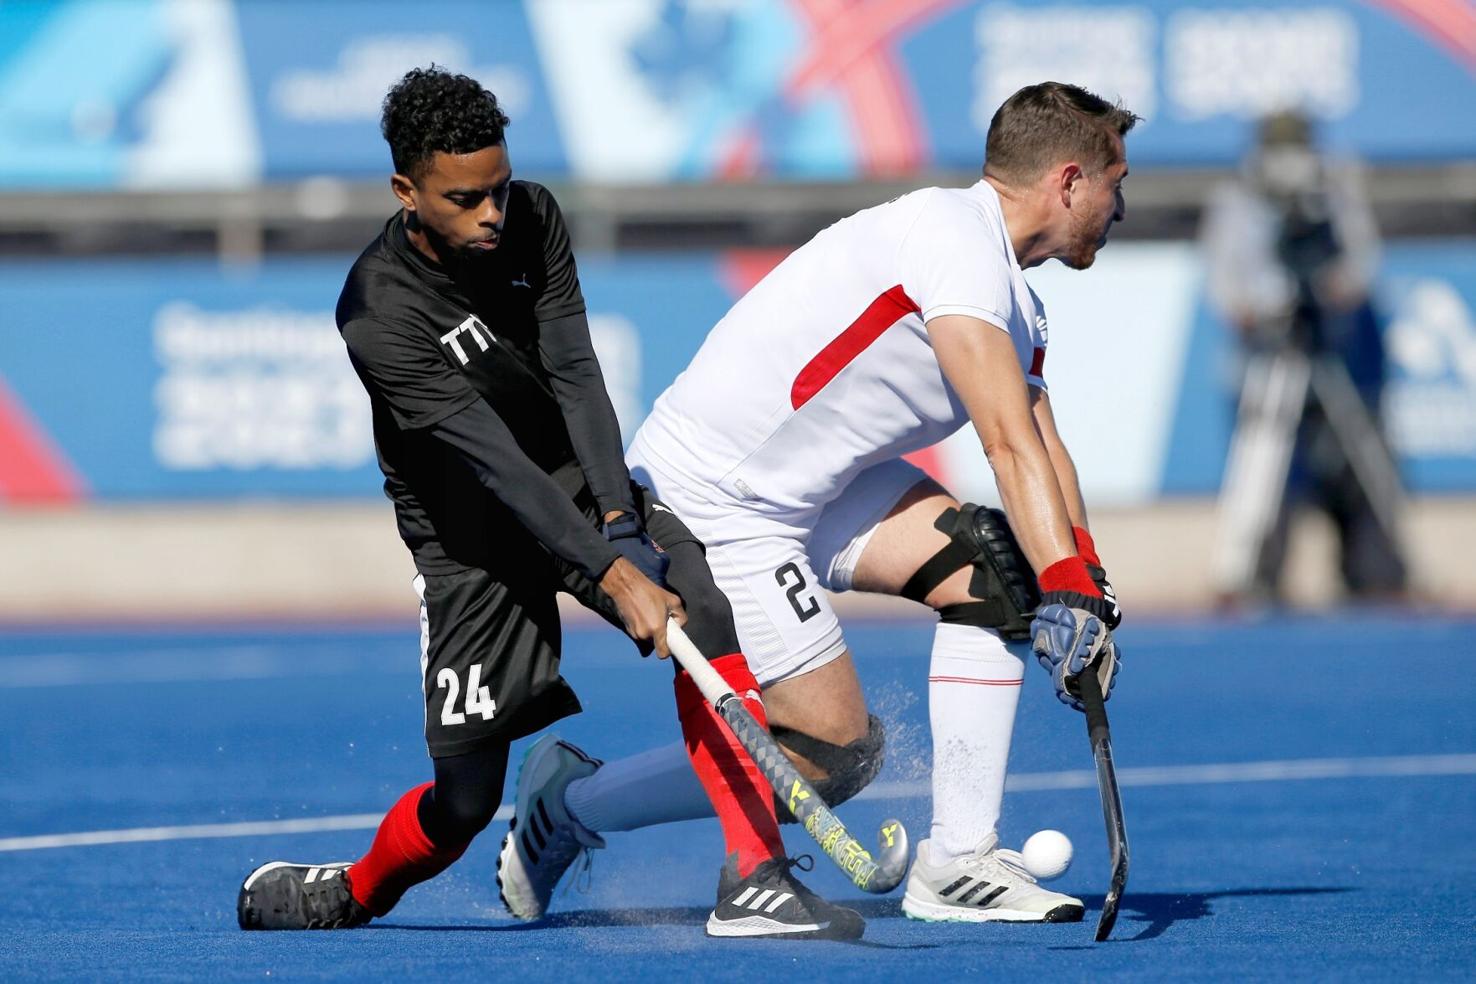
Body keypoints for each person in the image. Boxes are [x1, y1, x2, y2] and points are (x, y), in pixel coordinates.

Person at [235, 66, 860, 941]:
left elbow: (575, 370)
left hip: (573, 486)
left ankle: (754, 876)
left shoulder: (533, 217)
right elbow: (492, 464)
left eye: (497, 188)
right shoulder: (376, 311)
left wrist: (618, 521)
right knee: (464, 802)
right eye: (464, 199)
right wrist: (610, 567)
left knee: (701, 611)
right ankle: (356, 891)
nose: (492, 213)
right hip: (469, 541)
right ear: (406, 192)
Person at [498, 81, 1134, 925]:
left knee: (991, 572)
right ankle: (573, 805)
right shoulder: (955, 243)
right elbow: (1008, 445)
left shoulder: (1018, 300)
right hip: (718, 497)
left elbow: (1047, 450)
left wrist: (1084, 583)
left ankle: (958, 863)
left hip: (812, 489)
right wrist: (1067, 583)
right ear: (1067, 180)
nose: (1120, 207)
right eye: (1114, 183)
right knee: (835, 754)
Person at [1202, 110, 1407, 603]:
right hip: (1268, 359)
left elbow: (1360, 261)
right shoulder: (1238, 198)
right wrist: (1255, 306)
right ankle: (1254, 577)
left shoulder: (1333, 192)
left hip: (1332, 353)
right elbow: (1223, 281)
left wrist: (1336, 287)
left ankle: (1378, 574)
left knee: (1355, 462)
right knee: (1267, 469)